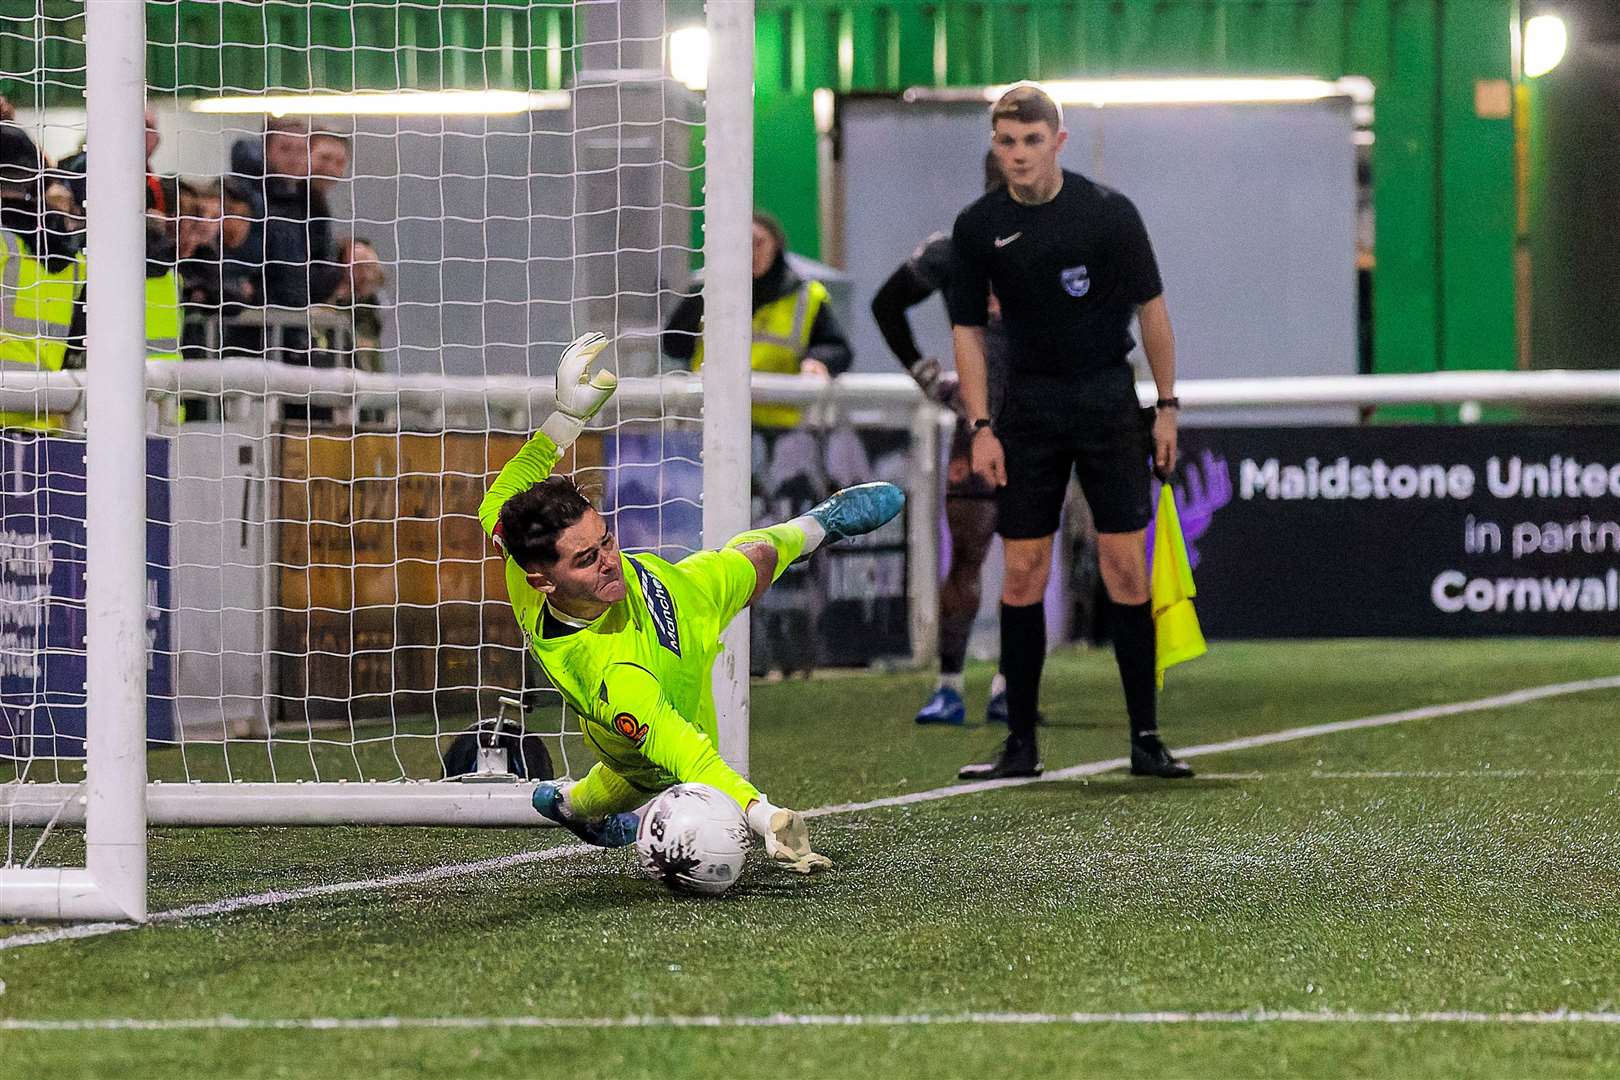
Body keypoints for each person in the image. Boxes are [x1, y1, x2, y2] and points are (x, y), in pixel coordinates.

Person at [481, 332, 903, 871]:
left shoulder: (523, 555)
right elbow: (688, 752)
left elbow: (496, 499)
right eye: (586, 560)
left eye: (605, 539)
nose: (609, 560)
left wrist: (565, 418)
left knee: (755, 556)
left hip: (677, 591)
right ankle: (570, 805)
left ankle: (820, 524)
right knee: (614, 790)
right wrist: (764, 814)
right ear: (543, 581)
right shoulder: (613, 679)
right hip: (659, 713)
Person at [946, 83, 1192, 781]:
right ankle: (1019, 745)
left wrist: (1166, 405)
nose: (1018, 154)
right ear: (994, 146)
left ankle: (1146, 738)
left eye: (1031, 140)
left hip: (1108, 402)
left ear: (1058, 140)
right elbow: (966, 332)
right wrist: (981, 425)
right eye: (1006, 141)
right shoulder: (977, 227)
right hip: (1027, 410)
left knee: (1124, 567)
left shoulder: (1108, 214)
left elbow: (1152, 312)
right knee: (1023, 572)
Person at [871, 151, 1028, 727]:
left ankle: (1011, 684)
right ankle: (949, 686)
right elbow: (886, 305)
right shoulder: (956, 247)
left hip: (1036, 419)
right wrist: (928, 375)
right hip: (978, 420)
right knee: (969, 552)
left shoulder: (1058, 240)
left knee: (1025, 556)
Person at [660, 209, 853, 427]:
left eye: (758, 243)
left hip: (782, 427)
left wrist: (818, 361)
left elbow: (837, 348)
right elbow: (673, 344)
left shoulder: (806, 296)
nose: (750, 252)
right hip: (716, 424)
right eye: (741, 243)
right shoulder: (708, 292)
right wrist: (702, 295)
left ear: (776, 246)